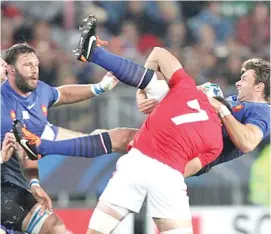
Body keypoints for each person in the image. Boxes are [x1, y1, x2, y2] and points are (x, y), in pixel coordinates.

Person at [72, 15, 230, 234]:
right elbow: (186, 170)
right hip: (168, 174)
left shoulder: (184, 88)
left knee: (96, 232)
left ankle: (96, 54)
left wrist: (140, 93)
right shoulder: (216, 142)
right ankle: (95, 53)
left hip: (137, 161)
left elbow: (158, 53)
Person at [1, 43, 136, 234]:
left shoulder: (39, 90)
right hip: (4, 185)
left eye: (36, 65)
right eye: (27, 65)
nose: (34, 71)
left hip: (18, 181)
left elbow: (61, 94)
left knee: (55, 228)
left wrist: (98, 88)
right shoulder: (4, 109)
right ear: (11, 70)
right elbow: (25, 150)